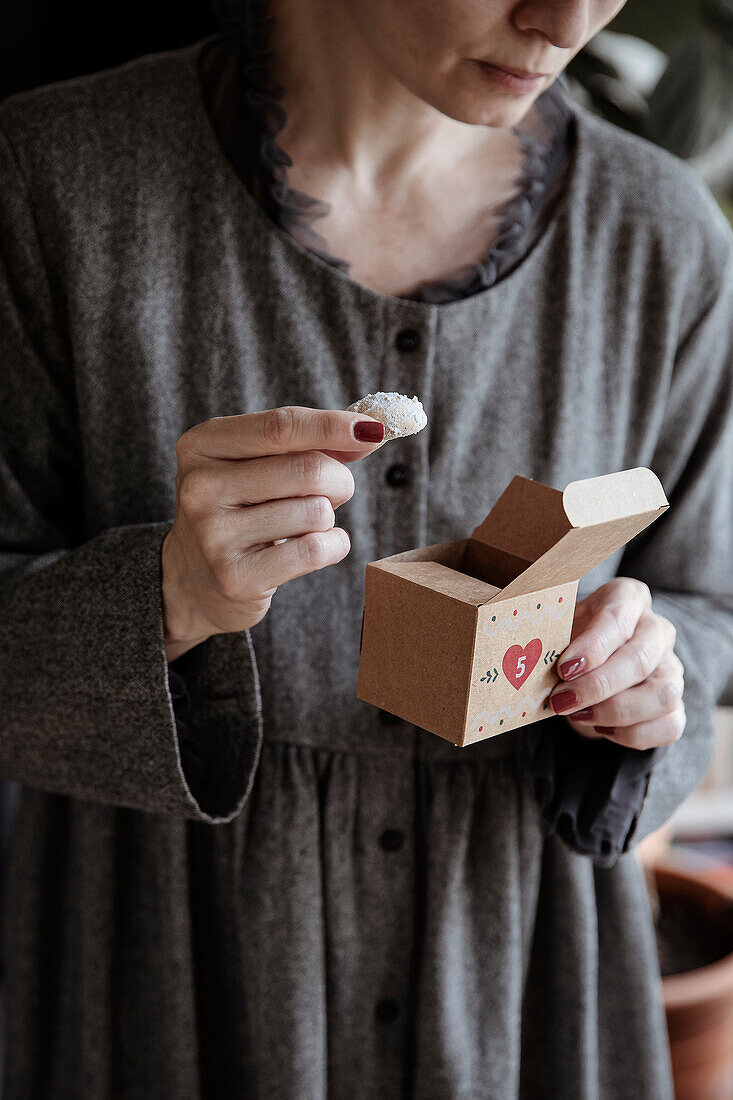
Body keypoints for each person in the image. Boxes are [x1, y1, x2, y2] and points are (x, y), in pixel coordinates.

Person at [0, 0, 731, 1095]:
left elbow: (708, 602)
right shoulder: (53, 182)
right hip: (162, 982)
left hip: (523, 989)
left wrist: (643, 678)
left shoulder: (664, 237)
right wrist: (166, 598)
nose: (567, 20)